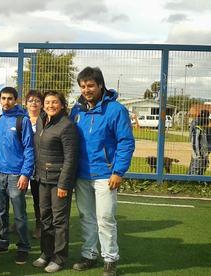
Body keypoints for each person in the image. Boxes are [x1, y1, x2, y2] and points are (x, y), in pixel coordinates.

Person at [70, 67, 135, 276]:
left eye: (90, 85)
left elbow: (126, 142)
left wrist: (118, 171)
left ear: (100, 85)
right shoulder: (76, 110)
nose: (86, 90)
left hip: (106, 175)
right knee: (86, 217)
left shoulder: (116, 110)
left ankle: (110, 259)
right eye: (82, 86)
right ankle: (89, 254)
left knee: (105, 218)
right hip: (81, 175)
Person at [32, 91, 80, 273]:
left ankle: (59, 258)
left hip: (58, 181)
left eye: (54, 102)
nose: (50, 105)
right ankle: (46, 253)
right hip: (41, 179)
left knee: (59, 221)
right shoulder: (41, 120)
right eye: (47, 102)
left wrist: (63, 184)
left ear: (62, 105)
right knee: (45, 219)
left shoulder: (67, 126)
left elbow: (71, 158)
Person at [0, 86, 35, 264]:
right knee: (0, 212)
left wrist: (25, 174)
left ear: (16, 100)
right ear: (0, 100)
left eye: (10, 98)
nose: (6, 102)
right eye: (3, 98)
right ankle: (2, 241)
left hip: (16, 175)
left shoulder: (22, 120)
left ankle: (23, 246)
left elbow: (30, 149)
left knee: (19, 215)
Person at [25, 90, 44, 239]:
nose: (34, 103)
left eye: (37, 100)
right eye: (31, 100)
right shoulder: (20, 119)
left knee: (38, 197)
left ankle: (39, 224)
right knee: (17, 196)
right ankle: (21, 221)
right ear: (26, 104)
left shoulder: (46, 120)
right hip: (23, 164)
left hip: (39, 165)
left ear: (41, 104)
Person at [189, 110, 210, 175]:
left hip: (202, 154)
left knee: (202, 167)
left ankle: (198, 181)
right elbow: (195, 143)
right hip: (198, 155)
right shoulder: (197, 129)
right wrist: (198, 155)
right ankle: (191, 181)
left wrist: (205, 156)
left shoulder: (201, 129)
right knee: (195, 168)